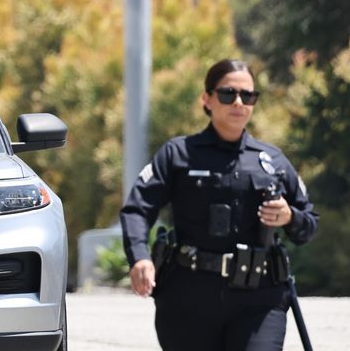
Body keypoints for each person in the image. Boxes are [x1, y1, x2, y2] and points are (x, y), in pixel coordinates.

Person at [119, 59, 320, 351]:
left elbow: (308, 225)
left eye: (248, 96)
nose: (238, 102)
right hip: (189, 298)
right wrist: (139, 257)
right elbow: (138, 208)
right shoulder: (178, 155)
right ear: (207, 99)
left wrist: (289, 217)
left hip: (259, 299)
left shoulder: (272, 161)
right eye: (228, 94)